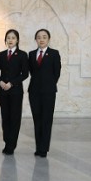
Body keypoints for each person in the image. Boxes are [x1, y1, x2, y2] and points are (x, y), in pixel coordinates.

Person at [0, 29, 29, 155]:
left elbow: (25, 74)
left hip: (16, 92)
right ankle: (7, 140)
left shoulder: (22, 55)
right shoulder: (1, 55)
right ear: (5, 40)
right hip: (3, 91)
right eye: (8, 38)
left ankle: (11, 145)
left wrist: (12, 83)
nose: (10, 40)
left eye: (13, 38)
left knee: (14, 117)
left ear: (17, 40)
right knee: (5, 117)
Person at [28, 28, 61, 158]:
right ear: (35, 39)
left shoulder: (54, 53)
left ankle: (44, 148)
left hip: (48, 92)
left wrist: (48, 84)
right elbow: (31, 71)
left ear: (48, 39)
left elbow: (56, 73)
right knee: (37, 119)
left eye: (44, 37)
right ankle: (38, 147)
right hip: (34, 91)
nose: (41, 39)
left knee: (46, 119)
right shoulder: (31, 54)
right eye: (39, 37)